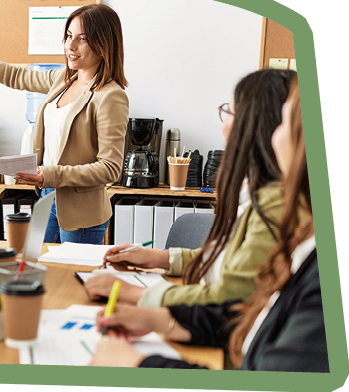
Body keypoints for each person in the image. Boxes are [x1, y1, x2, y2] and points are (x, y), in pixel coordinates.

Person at [90, 80, 327, 372]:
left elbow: (234, 298)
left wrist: (141, 362)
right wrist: (160, 317)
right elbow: (242, 314)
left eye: (289, 119)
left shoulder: (281, 214)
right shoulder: (282, 217)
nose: (278, 135)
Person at [84, 70, 298, 307]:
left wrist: (133, 294)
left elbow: (233, 294)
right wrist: (157, 257)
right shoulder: (253, 191)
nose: (224, 126)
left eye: (229, 112)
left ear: (255, 125)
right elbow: (228, 258)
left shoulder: (275, 203)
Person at [0, 4, 129, 245]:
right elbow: (15, 76)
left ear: (104, 44)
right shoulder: (63, 79)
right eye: (69, 36)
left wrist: (49, 174)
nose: (70, 46)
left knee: (67, 279)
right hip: (48, 196)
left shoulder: (111, 96)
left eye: (82, 39)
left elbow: (110, 169)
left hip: (81, 212)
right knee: (35, 267)